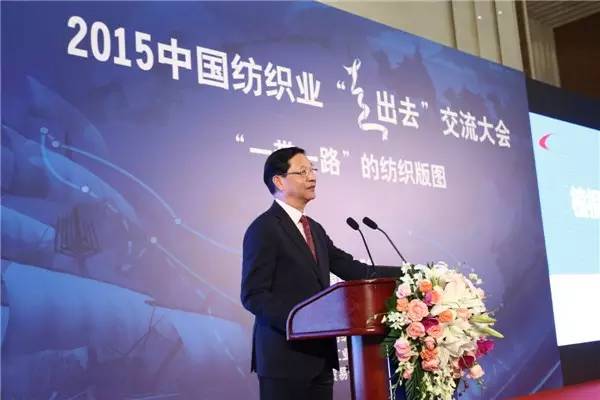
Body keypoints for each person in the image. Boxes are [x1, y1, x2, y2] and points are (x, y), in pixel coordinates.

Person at [241, 146, 401, 400]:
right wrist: (299, 321)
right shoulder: (264, 228)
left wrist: (410, 272)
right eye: (302, 171)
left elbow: (355, 270)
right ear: (279, 181)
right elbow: (253, 295)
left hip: (320, 359)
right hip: (284, 360)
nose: (312, 177)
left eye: (312, 170)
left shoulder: (314, 228)